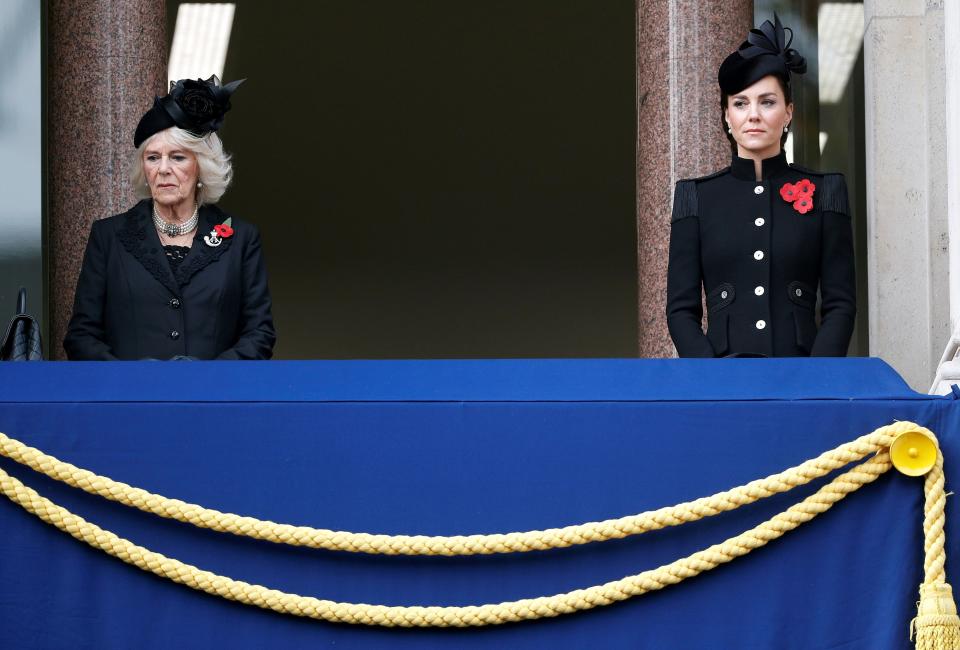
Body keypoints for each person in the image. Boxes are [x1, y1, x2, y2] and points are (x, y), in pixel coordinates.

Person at [666, 15, 855, 358]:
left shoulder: (826, 191)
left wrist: (818, 378)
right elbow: (681, 310)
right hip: (722, 381)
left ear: (788, 113)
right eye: (740, 103)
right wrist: (711, 379)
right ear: (727, 116)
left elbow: (840, 304)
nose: (753, 115)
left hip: (803, 378)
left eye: (767, 102)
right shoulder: (696, 197)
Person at [64, 76, 276, 360]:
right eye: (153, 158)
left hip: (211, 399)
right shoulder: (108, 236)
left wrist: (206, 377)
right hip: (129, 400)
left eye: (177, 157)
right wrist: (130, 380)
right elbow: (81, 336)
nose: (163, 169)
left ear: (201, 167)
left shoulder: (241, 239)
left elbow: (259, 335)